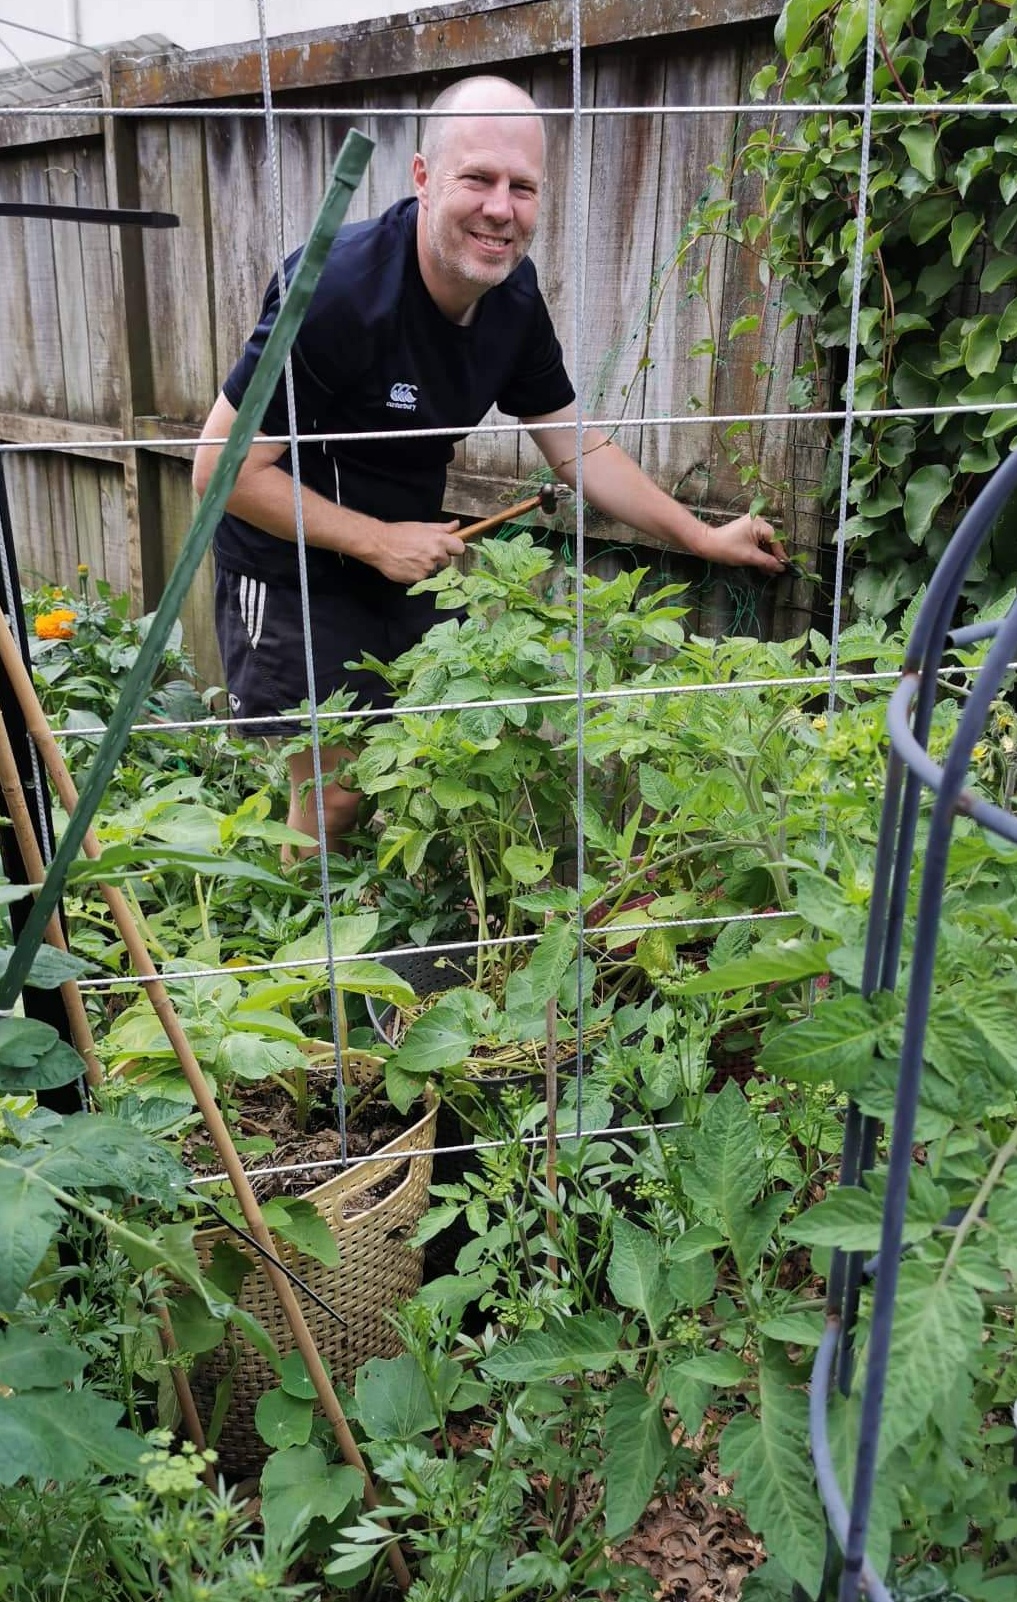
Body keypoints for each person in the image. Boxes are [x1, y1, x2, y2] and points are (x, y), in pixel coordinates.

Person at [193, 75, 787, 856]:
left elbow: (578, 446)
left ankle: (371, 928)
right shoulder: (337, 292)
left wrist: (699, 536)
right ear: (421, 178)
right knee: (332, 794)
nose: (500, 208)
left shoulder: (511, 299)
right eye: (476, 178)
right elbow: (220, 471)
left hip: (405, 559)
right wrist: (375, 540)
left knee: (416, 772)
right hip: (292, 560)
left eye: (522, 187)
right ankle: (311, 964)